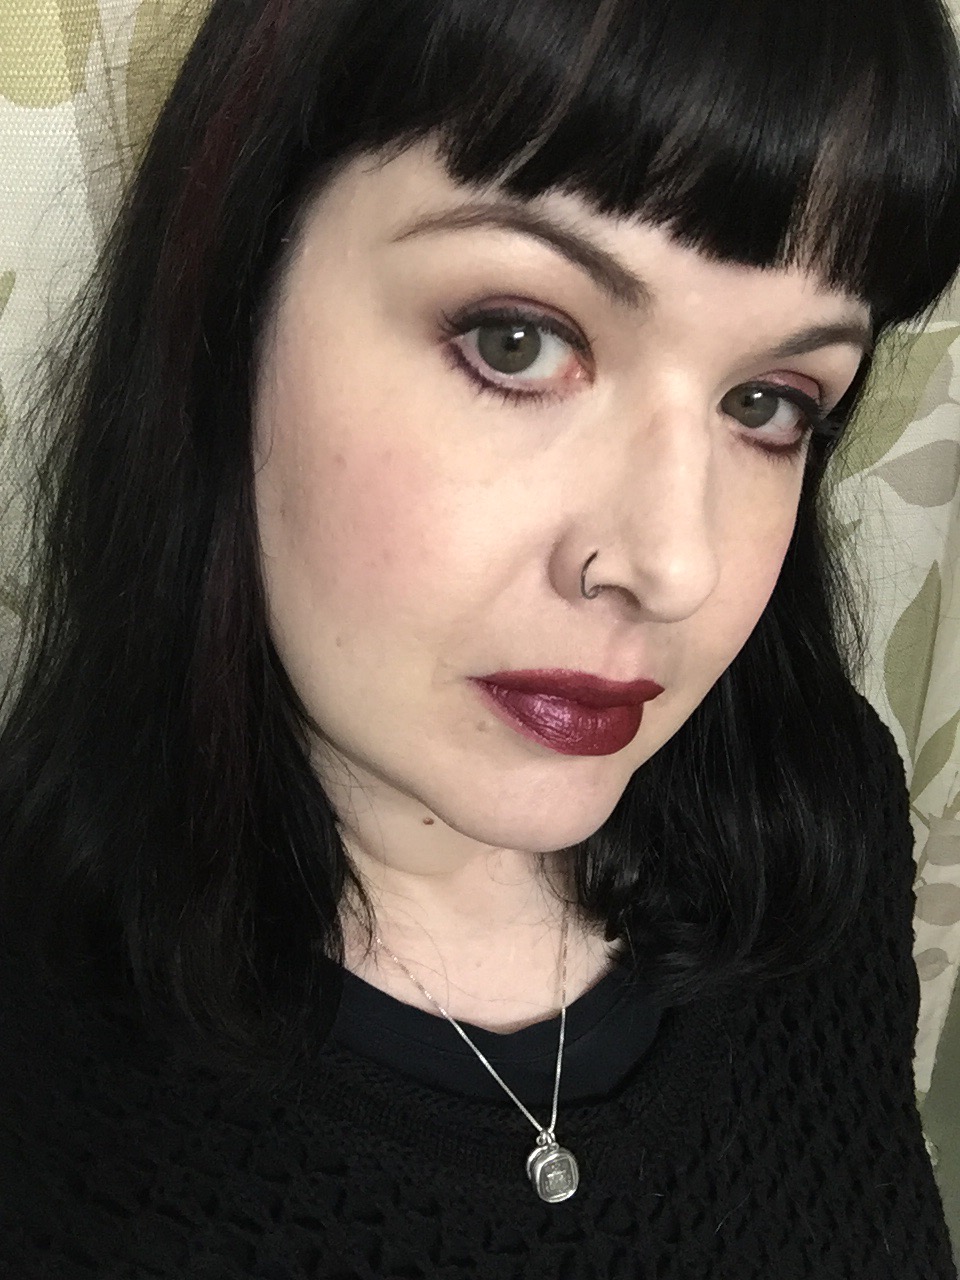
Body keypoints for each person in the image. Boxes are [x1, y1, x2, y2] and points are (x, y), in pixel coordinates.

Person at [1, 0, 959, 1274]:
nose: (674, 564)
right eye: (519, 340)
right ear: (230, 304)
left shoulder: (822, 822)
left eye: (767, 402)